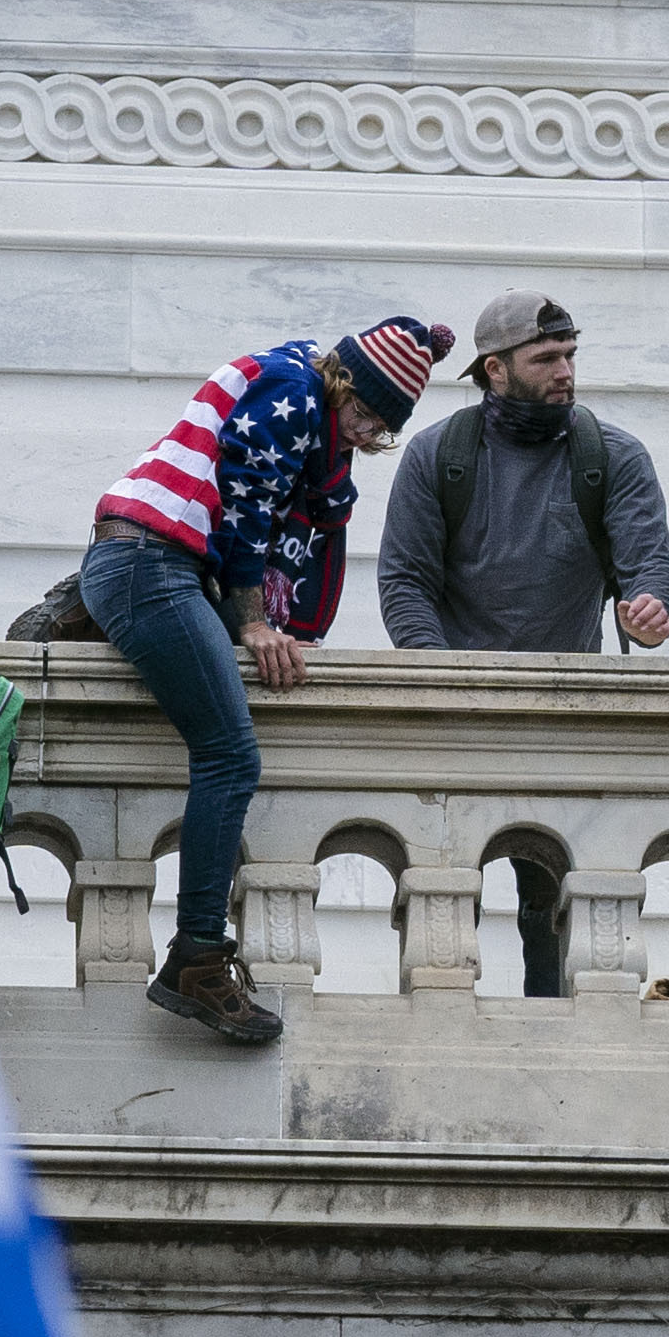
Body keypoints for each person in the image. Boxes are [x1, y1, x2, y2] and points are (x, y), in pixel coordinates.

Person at [82, 315, 448, 1046]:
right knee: (229, 754)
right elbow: (248, 506)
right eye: (366, 415)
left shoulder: (285, 382)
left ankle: (197, 954)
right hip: (152, 565)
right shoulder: (294, 391)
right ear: (343, 382)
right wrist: (252, 621)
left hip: (149, 561)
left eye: (379, 428)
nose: (365, 435)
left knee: (225, 745)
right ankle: (197, 958)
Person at [381, 289, 669, 658]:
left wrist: (651, 610)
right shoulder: (434, 454)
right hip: (459, 694)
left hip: (574, 694)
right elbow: (405, 581)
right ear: (495, 370)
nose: (565, 372)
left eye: (570, 355)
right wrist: (440, 673)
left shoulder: (615, 455)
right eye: (545, 359)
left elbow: (649, 560)